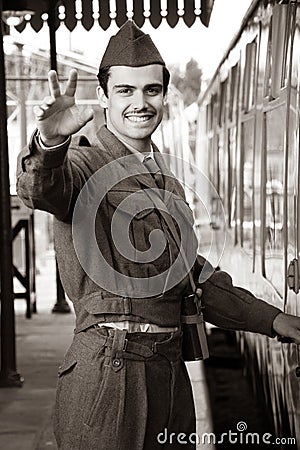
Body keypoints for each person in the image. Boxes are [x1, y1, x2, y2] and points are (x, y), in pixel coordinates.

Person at [17, 21, 300, 450]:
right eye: (125, 91)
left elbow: (191, 278)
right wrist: (49, 142)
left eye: (151, 90)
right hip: (109, 381)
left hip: (168, 375)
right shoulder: (83, 163)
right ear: (105, 97)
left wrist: (274, 319)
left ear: (164, 95)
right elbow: (40, 188)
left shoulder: (166, 179)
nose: (140, 103)